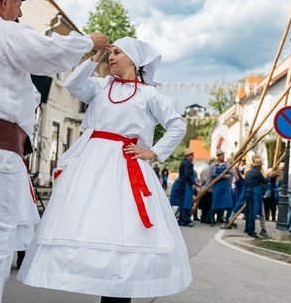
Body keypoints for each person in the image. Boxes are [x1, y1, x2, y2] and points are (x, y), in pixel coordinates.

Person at [0, 0, 110, 303]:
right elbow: (48, 53)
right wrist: (87, 42)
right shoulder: (2, 31)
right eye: (18, 5)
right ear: (5, 3)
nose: (19, 12)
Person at [17, 36, 192, 301]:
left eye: (117, 53)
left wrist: (152, 151)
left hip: (124, 167)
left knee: (124, 228)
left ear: (132, 59)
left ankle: (120, 289)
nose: (111, 57)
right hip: (91, 166)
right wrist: (96, 55)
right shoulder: (101, 87)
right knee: (91, 223)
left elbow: (177, 124)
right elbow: (73, 83)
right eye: (110, 53)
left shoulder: (148, 94)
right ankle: (99, 282)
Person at [205, 149, 234, 226]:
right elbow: (209, 176)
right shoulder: (213, 165)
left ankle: (227, 220)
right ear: (218, 156)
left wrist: (225, 176)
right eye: (221, 155)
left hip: (225, 186)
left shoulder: (227, 164)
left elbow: (232, 174)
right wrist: (207, 187)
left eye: (223, 155)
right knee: (215, 203)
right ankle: (212, 220)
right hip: (217, 185)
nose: (223, 156)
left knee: (229, 203)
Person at [244, 156, 267, 238]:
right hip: (254, 192)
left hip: (247, 192)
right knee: (253, 212)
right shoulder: (257, 172)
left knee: (249, 211)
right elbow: (264, 181)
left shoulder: (248, 172)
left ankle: (247, 228)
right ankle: (251, 230)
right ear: (259, 166)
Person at [177, 148, 196, 227]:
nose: (193, 157)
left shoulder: (184, 163)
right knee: (186, 203)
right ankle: (185, 220)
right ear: (188, 156)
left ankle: (182, 219)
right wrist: (192, 184)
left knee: (183, 202)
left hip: (183, 184)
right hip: (185, 185)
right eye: (192, 155)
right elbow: (187, 175)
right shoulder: (187, 164)